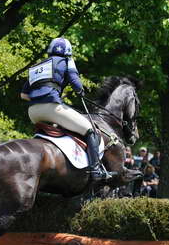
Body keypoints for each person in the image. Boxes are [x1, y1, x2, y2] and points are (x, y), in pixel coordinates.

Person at [20, 37, 107, 181]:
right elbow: (77, 85)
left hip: (32, 112)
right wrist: (80, 91)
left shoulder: (38, 65)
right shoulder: (67, 61)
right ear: (68, 52)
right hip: (51, 108)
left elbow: (23, 95)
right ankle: (95, 170)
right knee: (90, 130)